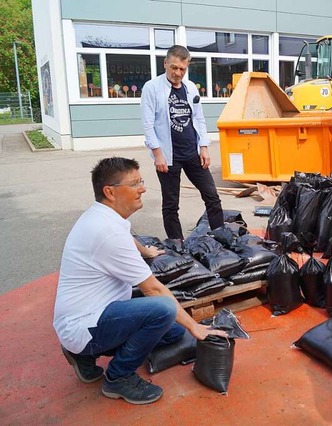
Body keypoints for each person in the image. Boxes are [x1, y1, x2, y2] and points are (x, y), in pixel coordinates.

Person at [53, 157, 227, 405]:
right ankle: (118, 378)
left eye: (141, 181)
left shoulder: (104, 216)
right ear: (110, 192)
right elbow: (153, 289)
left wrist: (146, 251)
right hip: (84, 324)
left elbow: (126, 232)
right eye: (135, 183)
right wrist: (194, 326)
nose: (143, 188)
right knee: (164, 309)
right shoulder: (107, 232)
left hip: (91, 313)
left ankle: (82, 356)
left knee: (172, 332)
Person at [141, 44, 224, 240]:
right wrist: (157, 154)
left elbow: (199, 119)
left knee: (212, 196)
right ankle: (177, 246)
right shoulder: (152, 88)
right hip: (168, 157)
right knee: (171, 205)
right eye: (174, 68)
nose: (178, 73)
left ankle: (221, 239)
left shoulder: (191, 87)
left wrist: (203, 147)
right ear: (165, 63)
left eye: (182, 69)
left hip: (192, 153)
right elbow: (148, 124)